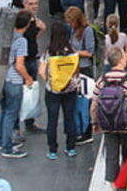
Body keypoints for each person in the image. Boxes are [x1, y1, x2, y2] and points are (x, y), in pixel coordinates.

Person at [91, 46, 127, 184]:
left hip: (108, 125)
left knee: (111, 157)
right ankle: (126, 184)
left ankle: (113, 185)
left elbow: (94, 105)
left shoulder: (102, 80)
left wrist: (94, 123)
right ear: (122, 60)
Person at [40, 19, 81, 159]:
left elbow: (41, 72)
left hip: (53, 91)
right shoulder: (72, 52)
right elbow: (76, 71)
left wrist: (50, 81)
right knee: (69, 118)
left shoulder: (49, 53)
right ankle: (71, 147)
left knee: (52, 120)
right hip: (70, 90)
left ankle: (52, 150)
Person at [0, 10, 34, 158]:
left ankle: (3, 140)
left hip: (3, 79)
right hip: (14, 81)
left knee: (4, 111)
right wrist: (28, 78)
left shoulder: (7, 35)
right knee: (11, 114)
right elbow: (19, 65)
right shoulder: (21, 41)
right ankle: (7, 147)